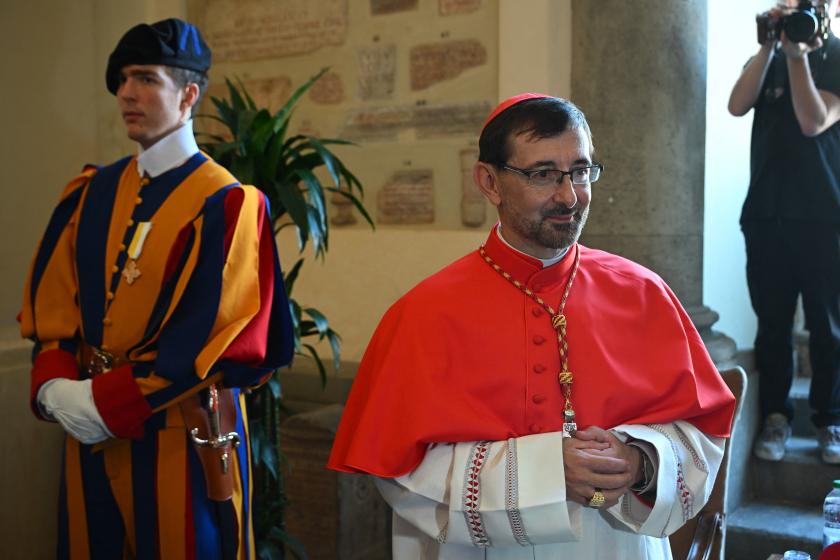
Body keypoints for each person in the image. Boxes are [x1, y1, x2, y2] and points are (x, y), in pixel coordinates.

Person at [327, 94, 736, 559]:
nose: (568, 195)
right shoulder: (424, 313)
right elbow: (401, 475)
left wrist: (641, 461)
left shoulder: (643, 292)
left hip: (617, 546)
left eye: (580, 172)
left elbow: (701, 434)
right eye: (542, 174)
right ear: (490, 181)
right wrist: (546, 471)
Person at [19, 18, 294, 559]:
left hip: (181, 432)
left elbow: (216, 333)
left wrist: (104, 401)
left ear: (189, 93)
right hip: (84, 427)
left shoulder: (228, 202)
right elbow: (54, 300)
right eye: (122, 79)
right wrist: (55, 387)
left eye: (145, 78)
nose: (126, 93)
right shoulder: (90, 191)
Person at [728, 0, 840, 464]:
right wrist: (770, 46)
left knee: (829, 327)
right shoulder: (769, 56)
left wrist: (798, 56)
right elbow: (737, 105)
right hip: (766, 213)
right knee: (772, 325)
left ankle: (829, 420)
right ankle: (775, 418)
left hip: (824, 215)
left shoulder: (836, 55)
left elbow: (814, 120)